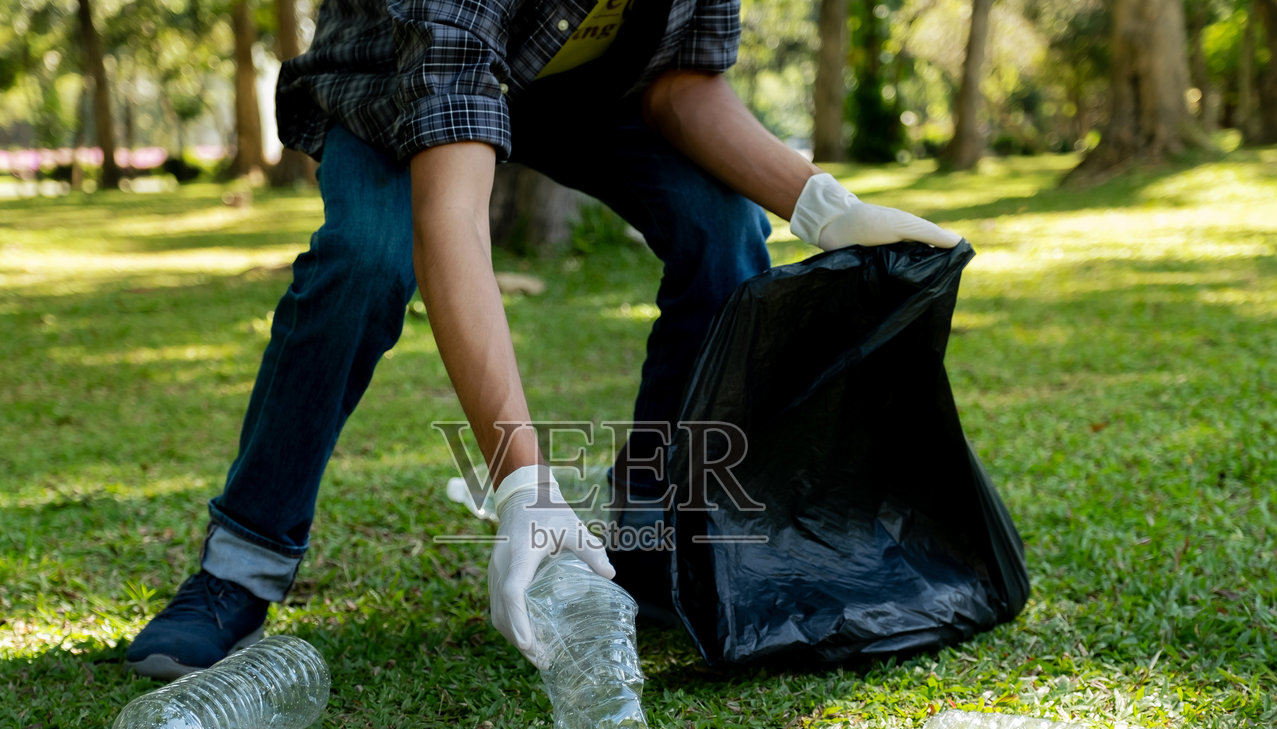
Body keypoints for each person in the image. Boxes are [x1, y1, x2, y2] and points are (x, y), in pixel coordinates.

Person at [124, 0, 962, 679]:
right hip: (399, 74)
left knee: (724, 231)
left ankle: (647, 539)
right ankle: (239, 569)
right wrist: (523, 483)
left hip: (583, 92)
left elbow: (681, 85)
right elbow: (452, 219)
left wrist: (824, 207)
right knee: (366, 261)